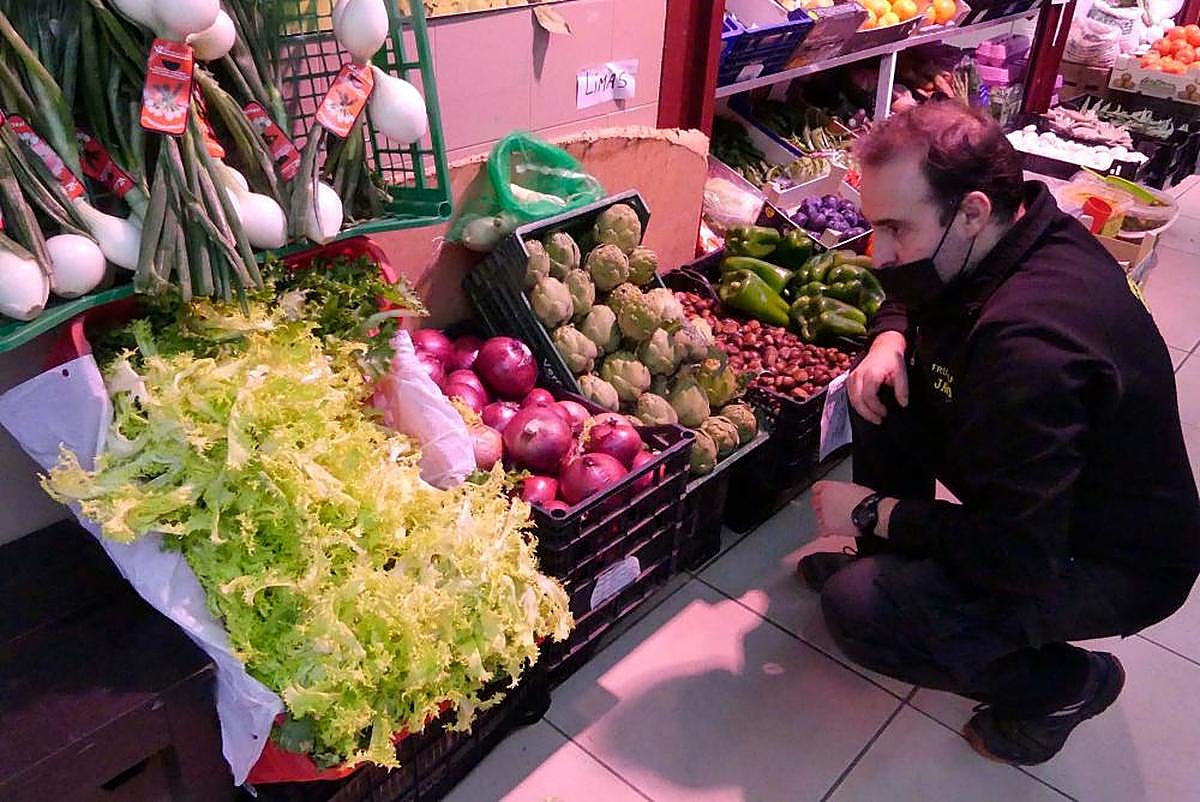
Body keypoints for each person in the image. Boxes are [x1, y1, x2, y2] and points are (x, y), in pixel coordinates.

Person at [800, 101, 1200, 766]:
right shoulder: (1024, 229)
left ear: (973, 211)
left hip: (1105, 557)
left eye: (895, 229)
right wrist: (890, 335)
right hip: (1037, 492)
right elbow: (915, 287)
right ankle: (891, 563)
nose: (879, 254)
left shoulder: (1030, 347)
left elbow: (1016, 552)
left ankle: (1065, 686)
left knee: (862, 612)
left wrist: (875, 511)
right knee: (882, 387)